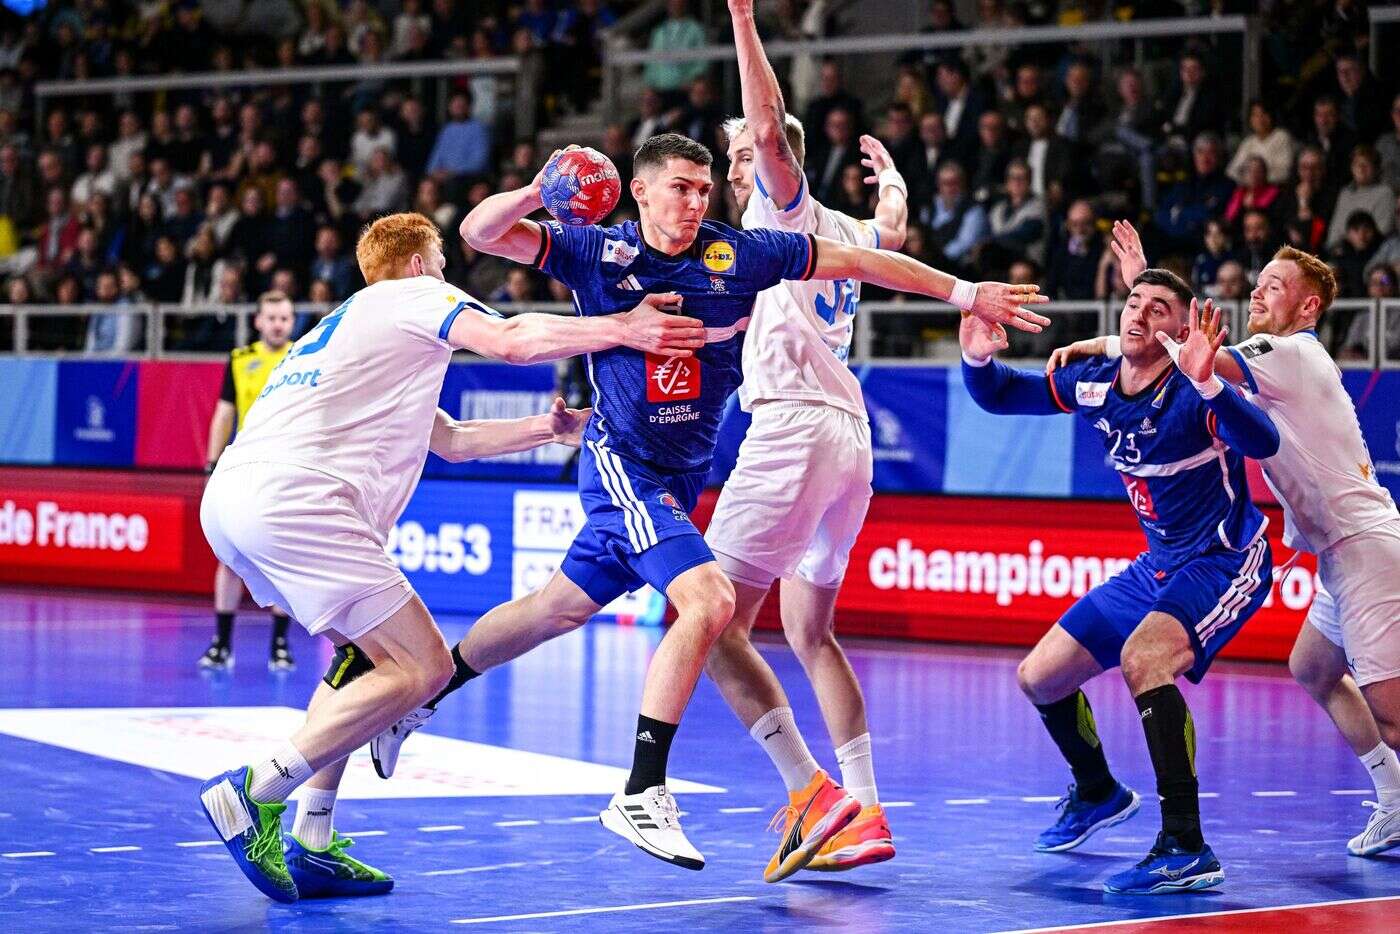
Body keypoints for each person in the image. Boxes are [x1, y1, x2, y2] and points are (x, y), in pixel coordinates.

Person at [366, 132, 1047, 872]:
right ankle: (646, 789)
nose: (695, 200)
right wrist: (541, 189)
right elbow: (479, 233)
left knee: (555, 608)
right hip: (626, 467)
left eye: (702, 187)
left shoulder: (738, 254)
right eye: (680, 187)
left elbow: (860, 258)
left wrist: (963, 291)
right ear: (641, 192)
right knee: (710, 602)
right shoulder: (599, 251)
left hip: (683, 478)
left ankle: (424, 691)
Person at [196, 212, 705, 902]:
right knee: (425, 666)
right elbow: (511, 339)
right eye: (440, 261)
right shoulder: (414, 297)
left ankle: (313, 838)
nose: (447, 274)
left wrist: (550, 431)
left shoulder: (346, 331)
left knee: (366, 658)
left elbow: (452, 439)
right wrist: (624, 327)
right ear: (414, 265)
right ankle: (256, 790)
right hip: (298, 501)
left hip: (236, 499)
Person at [1052, 229, 1400, 858]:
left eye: (1275, 286)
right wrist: (1137, 305)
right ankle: (1396, 799)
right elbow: (1185, 358)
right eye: (1259, 282)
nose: (1258, 293)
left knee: (1392, 712)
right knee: (1314, 668)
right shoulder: (1271, 363)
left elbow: (1189, 357)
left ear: (1308, 306)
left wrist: (1112, 329)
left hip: (1366, 547)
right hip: (1343, 553)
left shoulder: (1289, 351)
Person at [962, 256, 1281, 894]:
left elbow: (1263, 441)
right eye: (1134, 303)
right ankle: (1098, 791)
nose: (1139, 314)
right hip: (1156, 567)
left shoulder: (1196, 391)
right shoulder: (1097, 382)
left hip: (1223, 559)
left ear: (1180, 329)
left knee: (1145, 659)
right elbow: (1002, 394)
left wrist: (1214, 385)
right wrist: (975, 358)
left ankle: (1187, 845)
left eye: (1157, 309)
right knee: (1039, 678)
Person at [699, 0, 908, 884]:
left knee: (705, 622)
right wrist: (893, 176)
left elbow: (777, 145)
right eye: (735, 157)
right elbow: (892, 228)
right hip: (848, 439)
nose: (741, 167)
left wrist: (744, 23)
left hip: (792, 429)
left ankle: (810, 792)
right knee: (808, 630)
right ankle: (866, 808)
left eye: (750, 151)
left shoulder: (787, 212)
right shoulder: (852, 230)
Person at [199, 291, 298, 672]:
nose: (278, 324)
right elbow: (224, 414)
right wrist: (211, 463)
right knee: (230, 556)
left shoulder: (304, 356)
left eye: (285, 318)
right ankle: (221, 645)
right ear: (257, 321)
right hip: (242, 468)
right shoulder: (240, 361)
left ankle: (279, 646)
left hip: (286, 469)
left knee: (281, 557)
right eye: (271, 317)